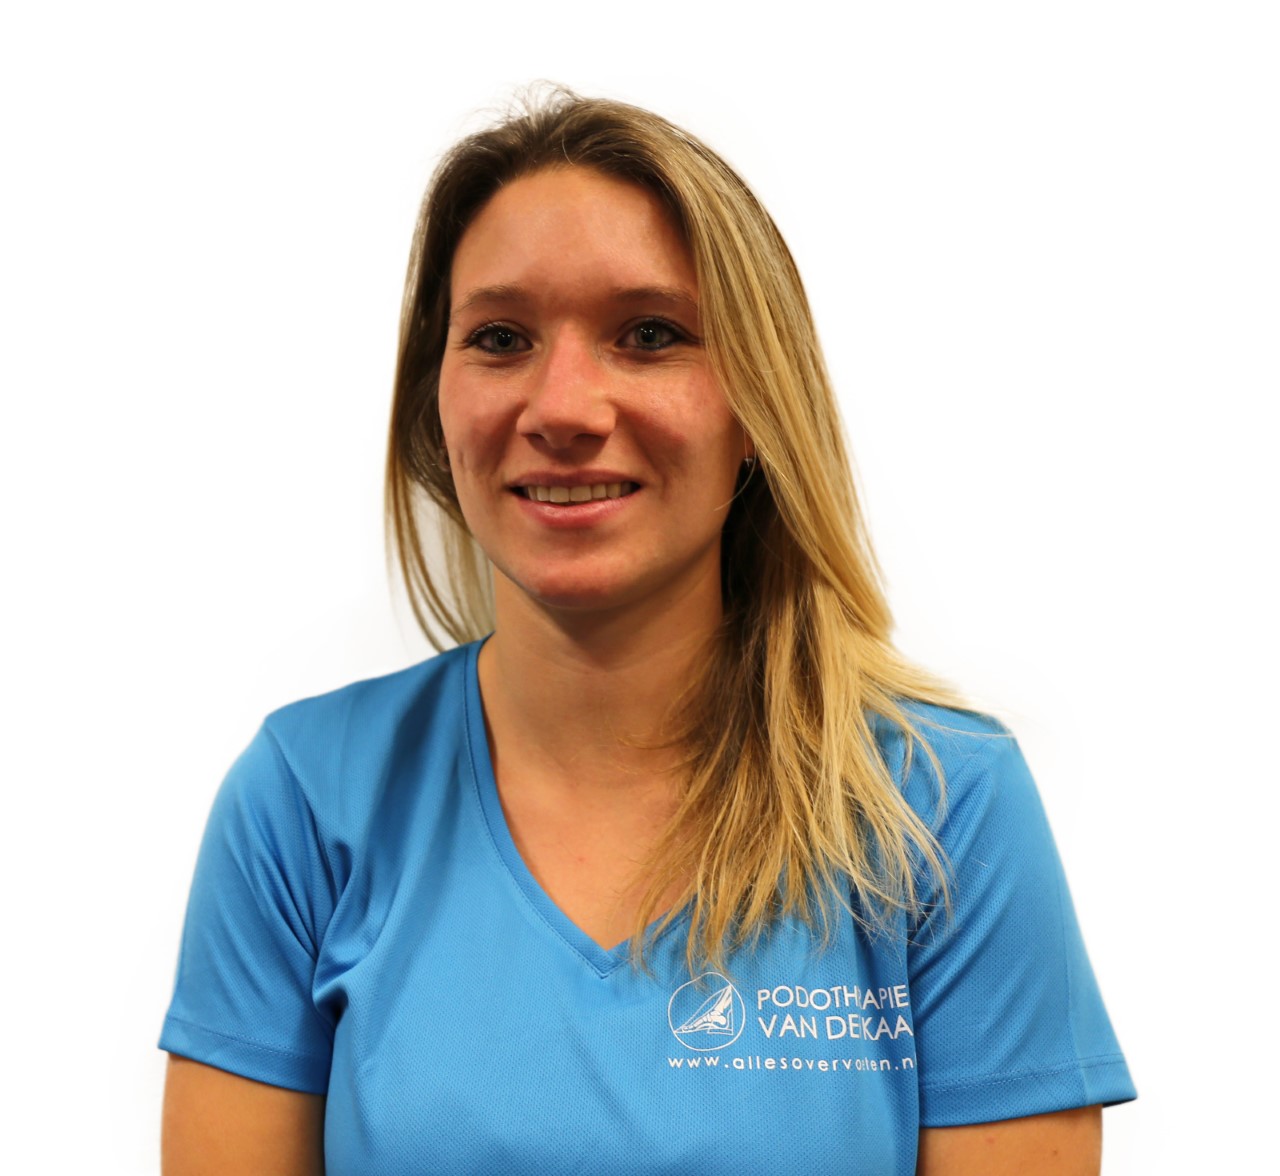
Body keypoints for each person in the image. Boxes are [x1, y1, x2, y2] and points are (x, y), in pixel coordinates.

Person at [160, 89, 1135, 1174]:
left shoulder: (940, 809)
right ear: (435, 404)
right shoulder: (304, 802)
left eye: (649, 335)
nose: (564, 408)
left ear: (758, 406)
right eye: (499, 338)